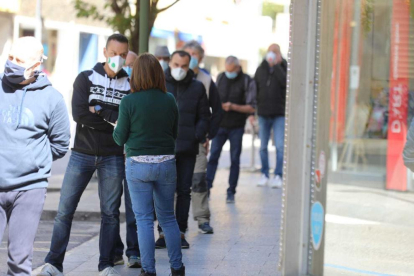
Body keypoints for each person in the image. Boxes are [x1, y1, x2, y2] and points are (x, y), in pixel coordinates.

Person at [39, 34, 130, 276]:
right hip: (81, 153)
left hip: (113, 155)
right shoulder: (86, 78)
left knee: (110, 213)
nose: (118, 59)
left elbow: (128, 121)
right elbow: (79, 114)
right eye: (114, 54)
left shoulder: (131, 85)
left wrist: (98, 109)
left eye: (123, 55)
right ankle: (54, 263)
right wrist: (113, 118)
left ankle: (105, 265)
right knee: (64, 210)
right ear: (105, 52)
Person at [0, 36, 70, 276]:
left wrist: (32, 160)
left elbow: (60, 144)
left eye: (18, 60)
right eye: (10, 57)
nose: (11, 63)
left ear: (36, 65)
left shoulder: (52, 99)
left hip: (30, 189)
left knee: (19, 261)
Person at [113, 53, 185, 276]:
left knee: (144, 219)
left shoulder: (128, 102)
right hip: (166, 164)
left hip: (138, 165)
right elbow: (174, 133)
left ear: (136, 75)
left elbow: (119, 138)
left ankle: (149, 270)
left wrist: (117, 126)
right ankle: (177, 268)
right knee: (167, 218)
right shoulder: (169, 99)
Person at [155, 50, 210, 249]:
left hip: (187, 148)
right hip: (164, 147)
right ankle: (163, 233)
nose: (180, 69)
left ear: (190, 66)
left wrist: (197, 134)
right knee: (163, 191)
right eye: (176, 65)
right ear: (170, 63)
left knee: (184, 191)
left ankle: (179, 232)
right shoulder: (160, 84)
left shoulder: (197, 87)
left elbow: (205, 116)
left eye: (184, 66)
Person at [182, 40, 223, 234]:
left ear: (200, 57)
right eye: (186, 54)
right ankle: (172, 223)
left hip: (197, 140)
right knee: (175, 183)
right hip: (175, 140)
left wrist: (207, 135)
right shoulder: (172, 80)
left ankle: (202, 218)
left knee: (199, 180)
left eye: (193, 54)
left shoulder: (206, 81)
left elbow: (216, 110)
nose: (189, 58)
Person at [206, 56, 257, 204]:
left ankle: (231, 192)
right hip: (220, 125)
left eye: (231, 71)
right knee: (213, 156)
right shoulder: (221, 77)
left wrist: (233, 107)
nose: (229, 73)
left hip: (236, 127)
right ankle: (207, 188)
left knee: (235, 160)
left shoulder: (247, 81)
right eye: (227, 70)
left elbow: (252, 106)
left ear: (238, 68)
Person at [114, 50, 141, 268]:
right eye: (127, 63)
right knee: (111, 207)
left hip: (132, 156)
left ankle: (134, 252)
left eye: (132, 64)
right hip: (113, 154)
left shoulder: (139, 91)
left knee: (133, 209)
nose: (128, 67)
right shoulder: (114, 84)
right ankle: (114, 251)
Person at [254, 43, 287, 188]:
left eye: (275, 52)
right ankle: (264, 174)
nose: (272, 54)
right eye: (270, 52)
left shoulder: (284, 67)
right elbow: (255, 88)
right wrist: (253, 111)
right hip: (263, 113)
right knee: (262, 146)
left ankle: (278, 175)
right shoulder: (261, 68)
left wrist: (277, 66)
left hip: (279, 112)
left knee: (280, 146)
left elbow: (286, 83)